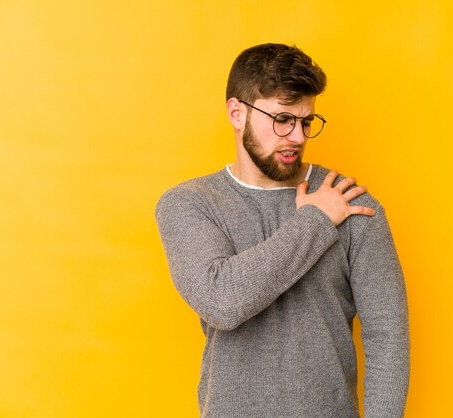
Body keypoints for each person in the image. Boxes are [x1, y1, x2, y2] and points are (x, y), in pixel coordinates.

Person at [155, 43, 409, 417]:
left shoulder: (351, 203)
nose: (297, 136)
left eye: (306, 122)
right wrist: (316, 222)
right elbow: (223, 301)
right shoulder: (190, 204)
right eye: (282, 119)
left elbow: (388, 338)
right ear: (237, 113)